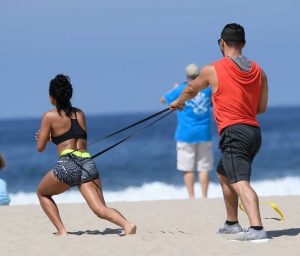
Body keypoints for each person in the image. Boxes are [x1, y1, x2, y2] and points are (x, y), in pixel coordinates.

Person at [169, 23, 268, 241]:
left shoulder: (213, 69)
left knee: (240, 181)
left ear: (221, 43)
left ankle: (257, 229)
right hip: (253, 133)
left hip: (234, 132)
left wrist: (178, 102)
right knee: (224, 173)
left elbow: (191, 89)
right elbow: (260, 108)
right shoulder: (259, 72)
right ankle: (232, 223)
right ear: (243, 43)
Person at [35, 74, 136, 236]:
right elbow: (72, 136)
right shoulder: (80, 113)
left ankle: (62, 231)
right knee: (100, 208)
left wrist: (43, 137)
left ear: (52, 96)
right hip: (87, 162)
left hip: (68, 164)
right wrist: (52, 136)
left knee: (42, 193)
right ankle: (127, 224)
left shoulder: (49, 116)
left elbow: (40, 148)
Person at [161, 64, 213, 199]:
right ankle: (204, 196)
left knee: (187, 167)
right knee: (204, 167)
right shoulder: (208, 90)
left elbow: (163, 100)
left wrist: (174, 90)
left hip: (185, 133)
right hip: (204, 132)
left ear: (187, 76)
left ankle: (191, 197)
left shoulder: (180, 89)